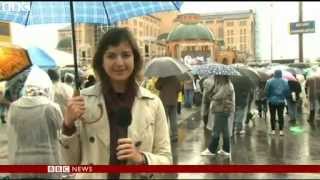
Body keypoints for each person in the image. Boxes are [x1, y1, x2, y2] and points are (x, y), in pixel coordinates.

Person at [59, 27, 172, 179]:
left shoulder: (153, 103)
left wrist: (141, 159)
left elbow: (166, 160)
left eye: (126, 55)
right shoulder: (82, 102)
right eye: (111, 56)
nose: (119, 63)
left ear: (135, 59)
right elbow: (69, 164)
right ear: (101, 61)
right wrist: (68, 126)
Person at [7, 66, 63, 179]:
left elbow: (13, 128)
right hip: (47, 159)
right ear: (47, 87)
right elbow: (61, 129)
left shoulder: (14, 107)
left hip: (21, 160)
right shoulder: (51, 107)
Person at [201, 75, 235, 157]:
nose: (215, 78)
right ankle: (226, 149)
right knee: (225, 130)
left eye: (217, 76)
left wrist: (211, 95)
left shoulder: (226, 86)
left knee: (216, 130)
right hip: (223, 110)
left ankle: (211, 149)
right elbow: (213, 94)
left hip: (221, 110)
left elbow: (216, 97)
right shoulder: (223, 85)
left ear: (222, 77)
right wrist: (213, 88)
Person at [155, 76, 181, 143]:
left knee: (164, 119)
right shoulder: (175, 78)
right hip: (173, 101)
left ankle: (164, 136)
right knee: (173, 119)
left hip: (164, 101)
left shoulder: (162, 77)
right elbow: (179, 88)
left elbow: (157, 86)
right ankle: (175, 136)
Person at [265, 70, 289, 136]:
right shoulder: (285, 81)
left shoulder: (269, 81)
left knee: (272, 115)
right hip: (281, 101)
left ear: (274, 74)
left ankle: (273, 130)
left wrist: (268, 97)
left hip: (272, 101)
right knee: (281, 115)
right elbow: (287, 91)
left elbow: (266, 91)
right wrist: (284, 96)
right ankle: (281, 131)